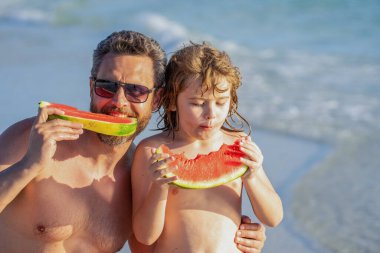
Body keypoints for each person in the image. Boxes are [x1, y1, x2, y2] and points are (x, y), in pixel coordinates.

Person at [0, 31, 267, 252]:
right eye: (107, 86)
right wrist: (28, 166)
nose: (119, 102)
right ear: (91, 86)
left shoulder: (143, 171)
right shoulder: (34, 138)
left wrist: (240, 237)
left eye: (136, 90)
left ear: (159, 99)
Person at [132, 42, 283, 253]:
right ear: (172, 102)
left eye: (220, 102)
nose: (211, 113)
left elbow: (273, 218)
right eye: (197, 103)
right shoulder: (152, 152)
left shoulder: (238, 145)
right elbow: (144, 237)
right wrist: (158, 188)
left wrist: (253, 175)